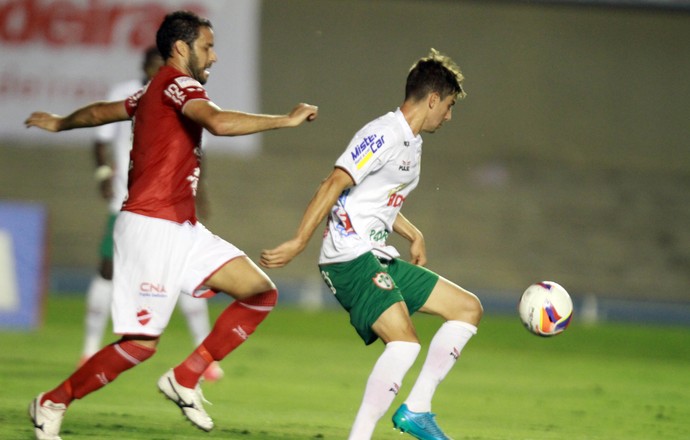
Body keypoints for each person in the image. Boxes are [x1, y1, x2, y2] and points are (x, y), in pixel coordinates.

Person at [25, 10, 318, 440]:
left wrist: (61, 122)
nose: (214, 56)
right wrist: (284, 120)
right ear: (181, 49)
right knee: (140, 344)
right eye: (207, 47)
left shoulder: (149, 92)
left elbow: (102, 112)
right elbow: (217, 123)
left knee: (259, 294)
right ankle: (53, 401)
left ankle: (185, 377)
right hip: (150, 227)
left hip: (182, 226)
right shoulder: (179, 84)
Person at [260, 49, 482, 440]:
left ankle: (417, 408)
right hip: (348, 257)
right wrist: (299, 241)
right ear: (432, 99)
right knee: (404, 345)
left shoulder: (412, 143)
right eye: (448, 106)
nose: (448, 116)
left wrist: (413, 233)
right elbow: (333, 184)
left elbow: (376, 200)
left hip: (376, 254)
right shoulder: (383, 134)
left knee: (467, 309)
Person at [83, 46, 223, 382]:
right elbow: (100, 138)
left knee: (186, 276)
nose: (159, 69)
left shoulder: (187, 98)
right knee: (108, 270)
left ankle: (205, 356)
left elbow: (195, 151)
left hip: (173, 208)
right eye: (153, 64)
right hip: (127, 202)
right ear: (143, 66)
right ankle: (88, 348)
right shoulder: (127, 95)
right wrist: (104, 174)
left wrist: (199, 194)